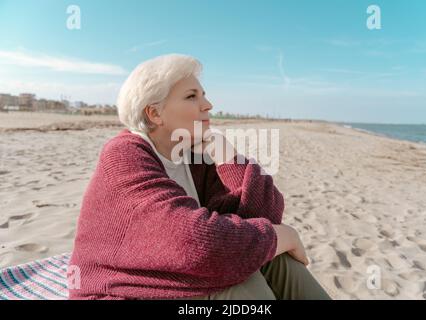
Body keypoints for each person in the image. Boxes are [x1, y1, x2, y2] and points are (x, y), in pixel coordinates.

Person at [68, 53, 331, 300]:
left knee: (279, 260)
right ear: (155, 113)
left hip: (169, 276)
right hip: (119, 290)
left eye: (203, 95)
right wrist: (281, 236)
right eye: (192, 96)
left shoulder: (193, 155)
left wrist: (227, 155)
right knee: (244, 286)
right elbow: (195, 244)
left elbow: (265, 215)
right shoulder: (123, 154)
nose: (208, 105)